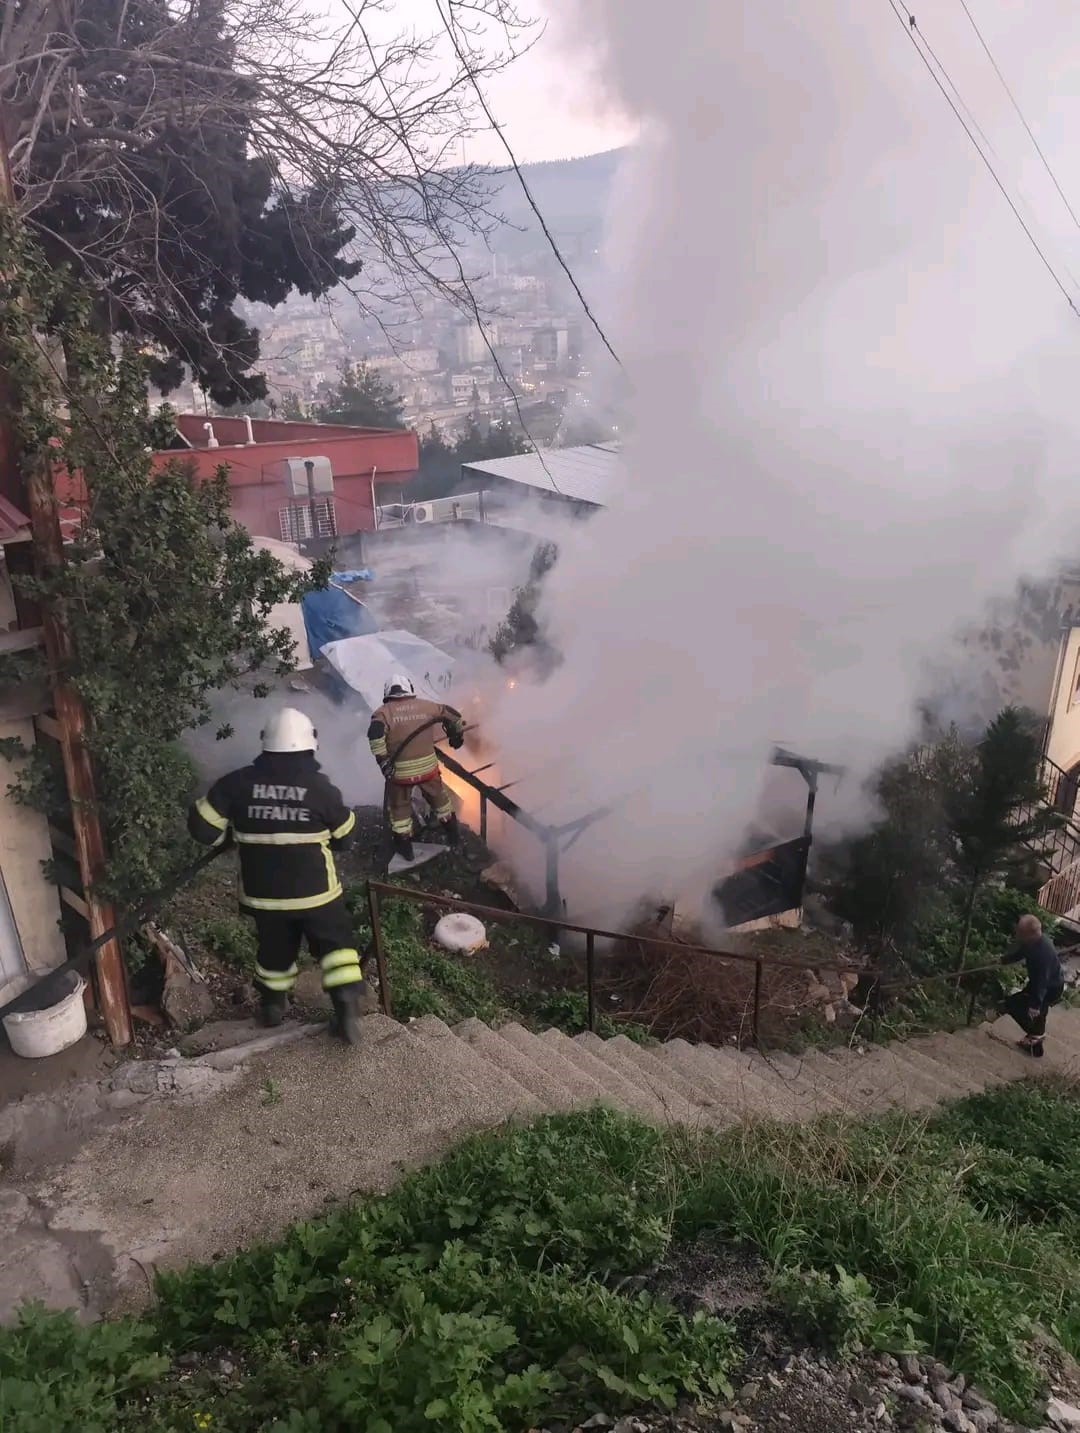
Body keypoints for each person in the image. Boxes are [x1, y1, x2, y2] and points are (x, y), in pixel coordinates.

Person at [187, 707, 365, 1044]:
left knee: (274, 950)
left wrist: (230, 835)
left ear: (265, 745)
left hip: (263, 896)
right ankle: (345, 1003)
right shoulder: (321, 789)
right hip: (317, 895)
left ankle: (271, 1006)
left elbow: (201, 827)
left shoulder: (236, 783)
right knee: (336, 945)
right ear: (310, 745)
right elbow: (347, 839)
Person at [367, 674, 465, 862]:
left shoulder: (383, 713)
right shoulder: (427, 706)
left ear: (388, 693)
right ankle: (454, 838)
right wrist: (456, 736)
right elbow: (454, 715)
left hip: (400, 775)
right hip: (428, 770)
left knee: (400, 810)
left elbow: (375, 735)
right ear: (409, 689)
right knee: (441, 802)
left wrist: (383, 763)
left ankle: (406, 850)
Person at [1000, 913, 1065, 1058]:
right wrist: (1003, 960)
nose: (1016, 933)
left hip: (1050, 988)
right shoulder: (1034, 942)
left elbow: (1042, 982)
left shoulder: (1042, 954)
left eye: (1019, 932)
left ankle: (1036, 1037)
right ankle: (1035, 1042)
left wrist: (1035, 1005)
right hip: (1044, 984)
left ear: (1028, 934)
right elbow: (1022, 953)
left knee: (1015, 1005)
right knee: (1036, 1013)